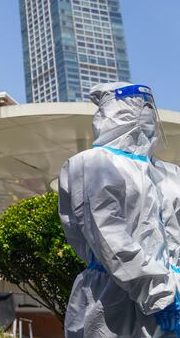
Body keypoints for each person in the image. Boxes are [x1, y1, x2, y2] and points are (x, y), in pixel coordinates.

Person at [59, 83, 180, 337]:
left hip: (170, 297)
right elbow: (109, 239)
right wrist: (160, 294)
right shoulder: (93, 164)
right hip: (110, 302)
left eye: (149, 105)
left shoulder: (168, 173)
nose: (147, 112)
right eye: (138, 104)